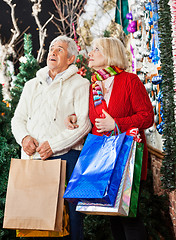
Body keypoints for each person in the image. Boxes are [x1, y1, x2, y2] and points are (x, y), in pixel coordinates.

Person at [65, 37, 154, 240]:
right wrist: (74, 117)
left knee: (129, 218)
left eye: (96, 49)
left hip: (126, 158)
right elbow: (94, 119)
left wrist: (117, 124)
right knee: (112, 215)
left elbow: (147, 117)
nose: (90, 53)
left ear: (110, 54)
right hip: (104, 160)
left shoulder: (130, 80)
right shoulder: (94, 85)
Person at [11, 35, 92, 240]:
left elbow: (83, 124)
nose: (53, 52)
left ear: (71, 58)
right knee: (34, 221)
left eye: (60, 50)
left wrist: (53, 146)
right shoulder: (32, 85)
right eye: (51, 49)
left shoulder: (80, 84)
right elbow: (18, 119)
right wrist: (24, 138)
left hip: (66, 159)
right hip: (33, 159)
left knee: (70, 222)